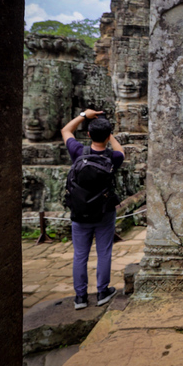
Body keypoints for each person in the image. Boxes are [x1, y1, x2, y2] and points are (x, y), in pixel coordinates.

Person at [61, 109, 125, 310]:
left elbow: (65, 130)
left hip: (79, 212)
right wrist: (108, 134)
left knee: (80, 255)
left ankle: (80, 297)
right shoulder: (114, 158)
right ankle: (102, 292)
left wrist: (83, 115)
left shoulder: (78, 152)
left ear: (88, 135)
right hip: (104, 212)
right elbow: (121, 150)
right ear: (107, 136)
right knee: (104, 251)